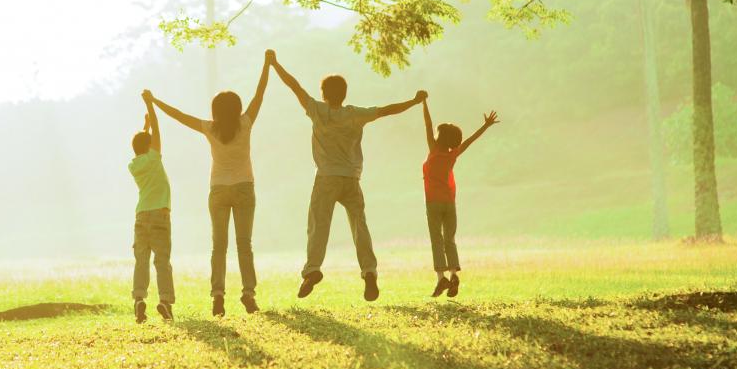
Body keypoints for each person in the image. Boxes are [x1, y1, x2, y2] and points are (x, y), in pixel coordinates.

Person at [268, 52, 426, 301]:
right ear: (344, 94)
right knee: (359, 226)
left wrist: (275, 63)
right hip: (351, 179)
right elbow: (387, 110)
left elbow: (294, 86)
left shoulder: (317, 110)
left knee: (318, 226)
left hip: (326, 178)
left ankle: (312, 270)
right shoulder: (355, 114)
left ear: (324, 93)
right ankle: (369, 271)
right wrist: (414, 101)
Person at [145, 50, 272, 317]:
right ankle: (248, 294)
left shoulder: (209, 128)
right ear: (238, 108)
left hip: (218, 191)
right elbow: (260, 94)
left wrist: (154, 102)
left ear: (215, 111)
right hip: (244, 188)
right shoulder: (246, 123)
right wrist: (267, 64)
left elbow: (179, 116)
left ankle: (217, 295)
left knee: (219, 246)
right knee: (244, 244)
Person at [421, 99, 499, 298]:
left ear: (440, 138)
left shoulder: (433, 150)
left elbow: (428, 125)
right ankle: (454, 273)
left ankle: (441, 278)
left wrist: (423, 103)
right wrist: (486, 125)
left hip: (433, 203)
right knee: (450, 239)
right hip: (449, 203)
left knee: (436, 240)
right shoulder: (453, 154)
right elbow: (470, 140)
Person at [128, 94, 174, 323]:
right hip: (159, 215)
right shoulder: (155, 158)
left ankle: (139, 299)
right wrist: (150, 104)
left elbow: (141, 144)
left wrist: (143, 127)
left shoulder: (134, 165)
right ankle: (165, 301)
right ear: (150, 146)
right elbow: (157, 130)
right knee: (162, 261)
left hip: (141, 215)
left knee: (141, 260)